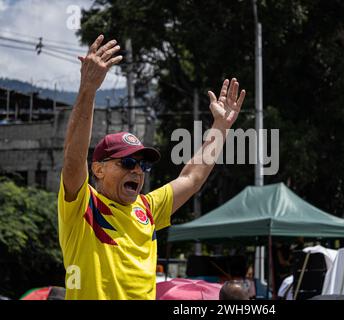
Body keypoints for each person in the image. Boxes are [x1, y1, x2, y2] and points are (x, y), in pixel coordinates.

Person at [58, 34, 246, 300]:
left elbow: (192, 178)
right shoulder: (83, 207)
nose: (136, 171)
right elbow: (73, 158)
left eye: (142, 165)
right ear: (98, 170)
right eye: (127, 163)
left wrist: (221, 127)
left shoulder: (147, 208)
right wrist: (88, 89)